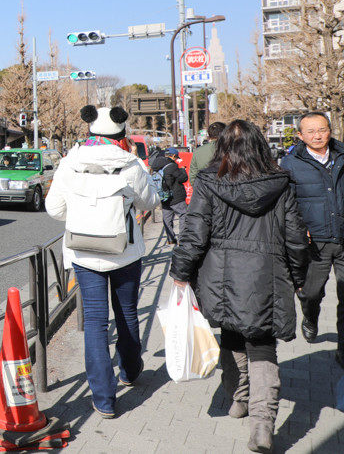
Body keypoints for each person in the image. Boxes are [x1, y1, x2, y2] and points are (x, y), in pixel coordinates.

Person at [171, 120, 308, 453]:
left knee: (231, 334)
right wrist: (300, 278)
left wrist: (180, 271)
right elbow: (295, 238)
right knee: (262, 346)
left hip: (220, 275)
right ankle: (262, 425)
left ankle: (238, 397)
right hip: (268, 274)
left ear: (223, 150)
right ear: (260, 145)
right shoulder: (281, 182)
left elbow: (194, 232)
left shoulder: (208, 182)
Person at [45, 106, 160, 419]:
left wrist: (86, 217)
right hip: (124, 251)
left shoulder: (69, 164)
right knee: (127, 313)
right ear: (122, 134)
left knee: (95, 323)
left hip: (84, 252)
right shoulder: (131, 164)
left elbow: (54, 208)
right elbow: (150, 202)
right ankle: (131, 370)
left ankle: (104, 399)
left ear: (89, 132)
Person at [280, 111, 344, 359]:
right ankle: (310, 314)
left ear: (330, 130)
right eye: (311, 131)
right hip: (313, 240)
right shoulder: (290, 163)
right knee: (311, 292)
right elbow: (286, 202)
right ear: (300, 135)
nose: (318, 135)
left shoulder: (341, 155)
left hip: (342, 235)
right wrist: (297, 229)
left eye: (322, 129)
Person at [150, 148, 189, 246]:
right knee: (183, 215)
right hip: (176, 197)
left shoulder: (156, 165)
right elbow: (183, 178)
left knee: (167, 218)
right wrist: (182, 170)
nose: (176, 160)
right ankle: (182, 238)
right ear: (172, 156)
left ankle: (170, 238)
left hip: (164, 196)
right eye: (176, 157)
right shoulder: (172, 166)